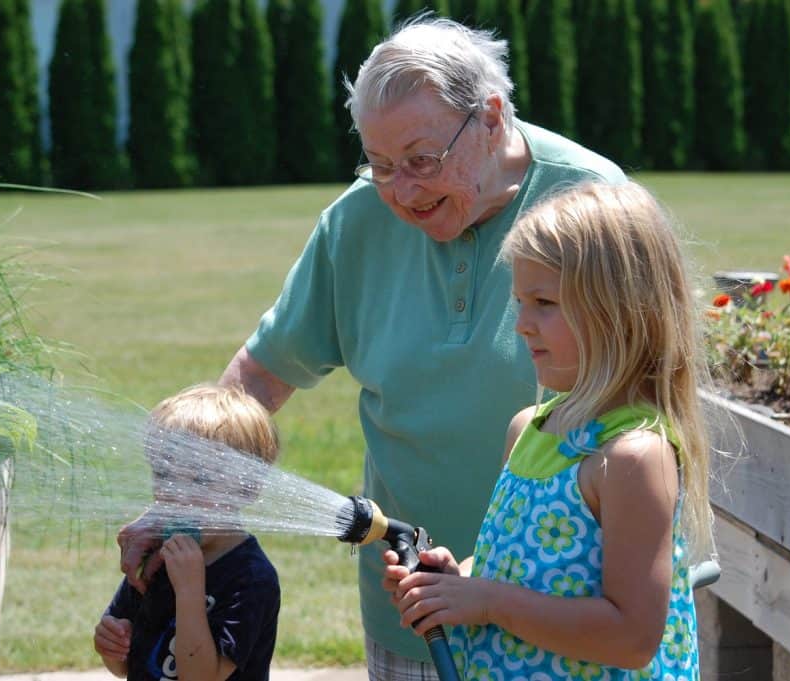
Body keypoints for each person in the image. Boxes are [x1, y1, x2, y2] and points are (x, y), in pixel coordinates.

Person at [120, 16, 626, 679]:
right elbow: (262, 375)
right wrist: (178, 503)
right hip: (410, 616)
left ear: (491, 117)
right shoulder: (360, 218)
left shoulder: (594, 204)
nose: (403, 191)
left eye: (421, 159)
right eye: (381, 164)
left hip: (565, 620)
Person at [383, 181, 716, 679]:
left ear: (620, 312)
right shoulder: (528, 430)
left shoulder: (632, 456)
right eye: (520, 301)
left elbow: (631, 637)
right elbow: (531, 574)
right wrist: (457, 582)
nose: (521, 324)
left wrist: (488, 601)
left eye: (543, 302)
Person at [97, 384, 282, 681]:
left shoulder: (250, 577)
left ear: (248, 488)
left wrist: (189, 591)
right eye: (165, 474)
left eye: (201, 478)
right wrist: (111, 646)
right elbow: (124, 666)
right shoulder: (158, 553)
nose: (178, 494)